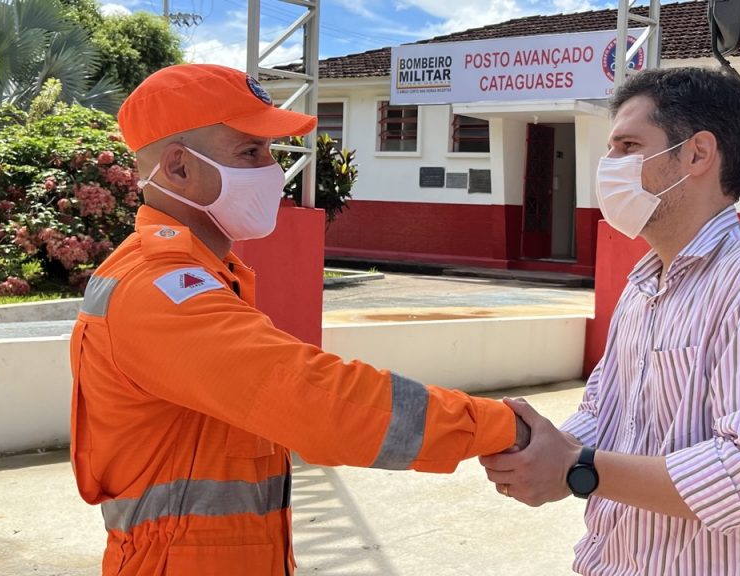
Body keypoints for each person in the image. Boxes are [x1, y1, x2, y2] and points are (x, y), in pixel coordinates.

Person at [69, 63, 528, 575]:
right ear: (178, 168)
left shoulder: (202, 273)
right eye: (251, 152)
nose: (273, 169)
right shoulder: (160, 288)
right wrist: (502, 427)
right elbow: (319, 403)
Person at [481, 67, 740, 575]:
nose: (609, 165)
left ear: (697, 154)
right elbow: (605, 415)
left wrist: (575, 469)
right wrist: (530, 442)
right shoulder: (642, 285)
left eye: (628, 146)